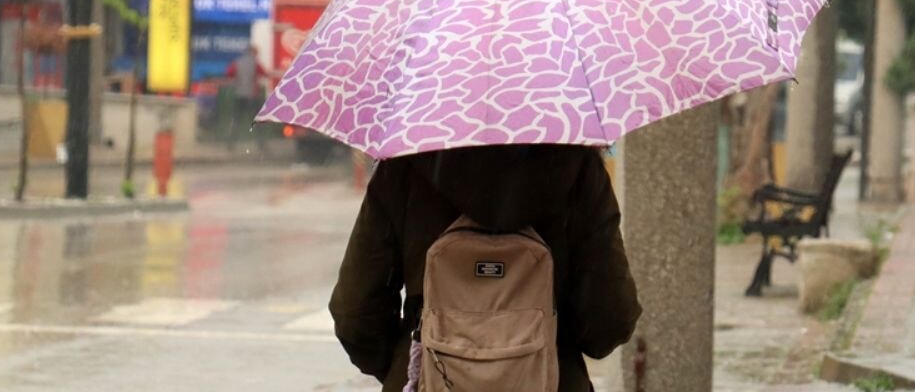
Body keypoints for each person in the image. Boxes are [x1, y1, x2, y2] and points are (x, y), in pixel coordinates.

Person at [330, 144, 642, 392]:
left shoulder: (402, 167)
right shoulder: (579, 169)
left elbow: (354, 312)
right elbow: (610, 318)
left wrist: (409, 362)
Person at [226, 44, 265, 148]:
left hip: (239, 95)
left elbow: (229, 73)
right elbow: (263, 73)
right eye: (256, 52)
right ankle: (261, 144)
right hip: (252, 96)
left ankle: (231, 143)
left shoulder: (237, 62)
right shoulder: (255, 63)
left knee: (236, 120)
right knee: (256, 122)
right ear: (253, 52)